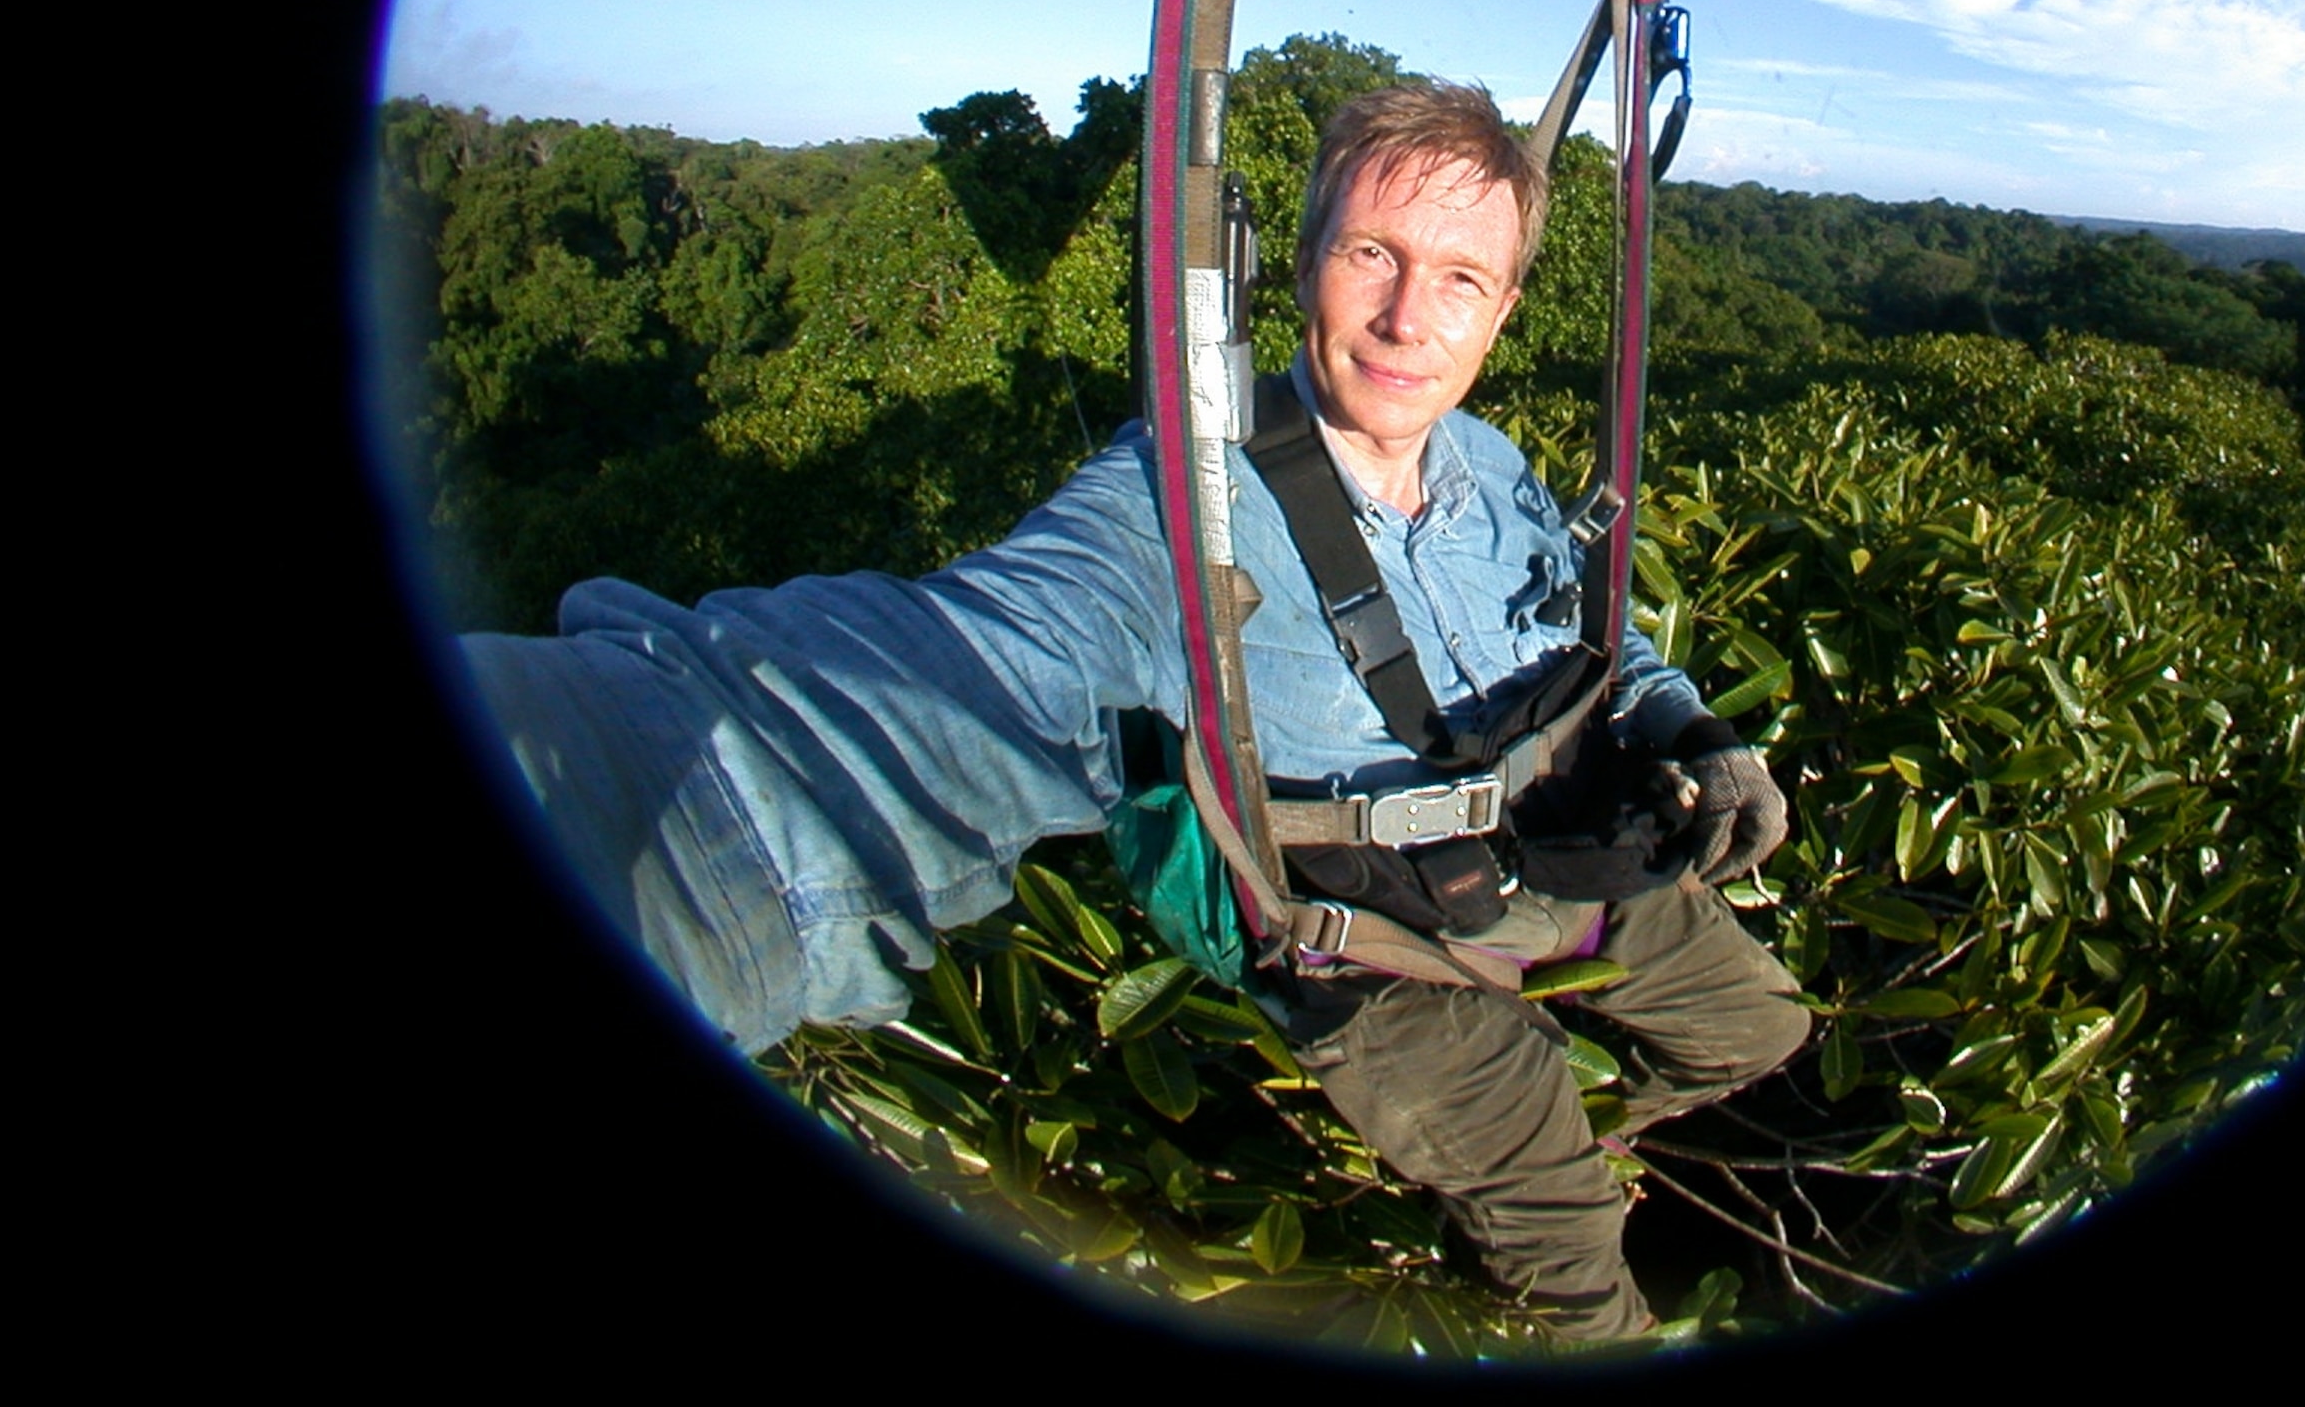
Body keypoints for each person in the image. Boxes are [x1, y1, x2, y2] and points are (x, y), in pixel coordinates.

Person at [459, 80, 1807, 1342]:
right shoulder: (1186, 498)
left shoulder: (1495, 464)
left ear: (1504, 309)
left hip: (1559, 842)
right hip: (1374, 944)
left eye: (1462, 279)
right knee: (1570, 1238)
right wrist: (668, 819)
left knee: (1766, 1033)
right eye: (1371, 257)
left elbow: (1592, 623)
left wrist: (1687, 722)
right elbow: (968, 674)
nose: (1411, 320)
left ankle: (1631, 1128)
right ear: (1301, 268)